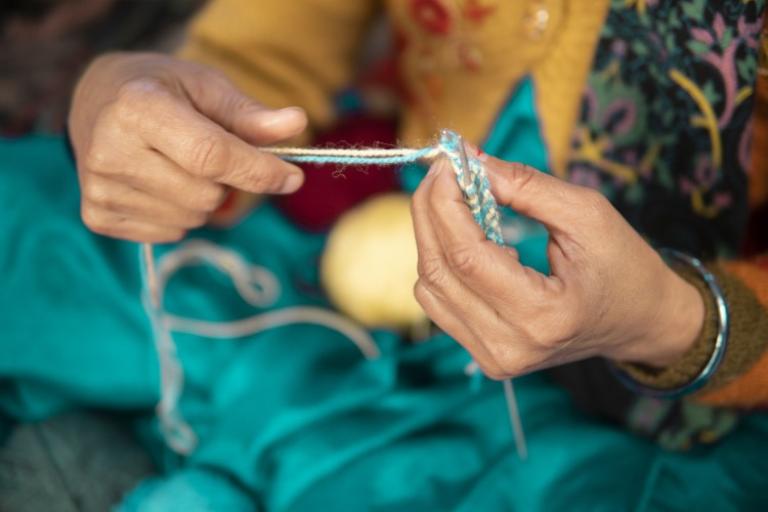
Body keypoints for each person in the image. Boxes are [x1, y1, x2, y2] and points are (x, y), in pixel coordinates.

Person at [3, 0, 768, 509]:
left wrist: (670, 322)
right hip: (371, 237)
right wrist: (129, 94)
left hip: (662, 382)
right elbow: (261, 54)